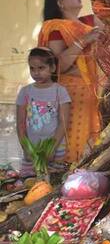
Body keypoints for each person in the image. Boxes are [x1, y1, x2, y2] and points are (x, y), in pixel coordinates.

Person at [37, 0, 103, 163]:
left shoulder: (87, 23)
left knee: (92, 139)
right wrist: (83, 41)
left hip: (94, 92)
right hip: (72, 93)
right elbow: (58, 65)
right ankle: (66, 175)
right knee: (71, 138)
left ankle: (85, 174)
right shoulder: (56, 28)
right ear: (60, 3)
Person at [16, 48, 71, 176]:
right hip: (32, 149)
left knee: (53, 184)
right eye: (32, 68)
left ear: (52, 68)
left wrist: (51, 148)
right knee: (30, 183)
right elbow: (20, 123)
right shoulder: (25, 92)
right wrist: (26, 149)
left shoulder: (60, 91)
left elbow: (63, 123)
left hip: (56, 149)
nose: (36, 73)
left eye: (41, 68)